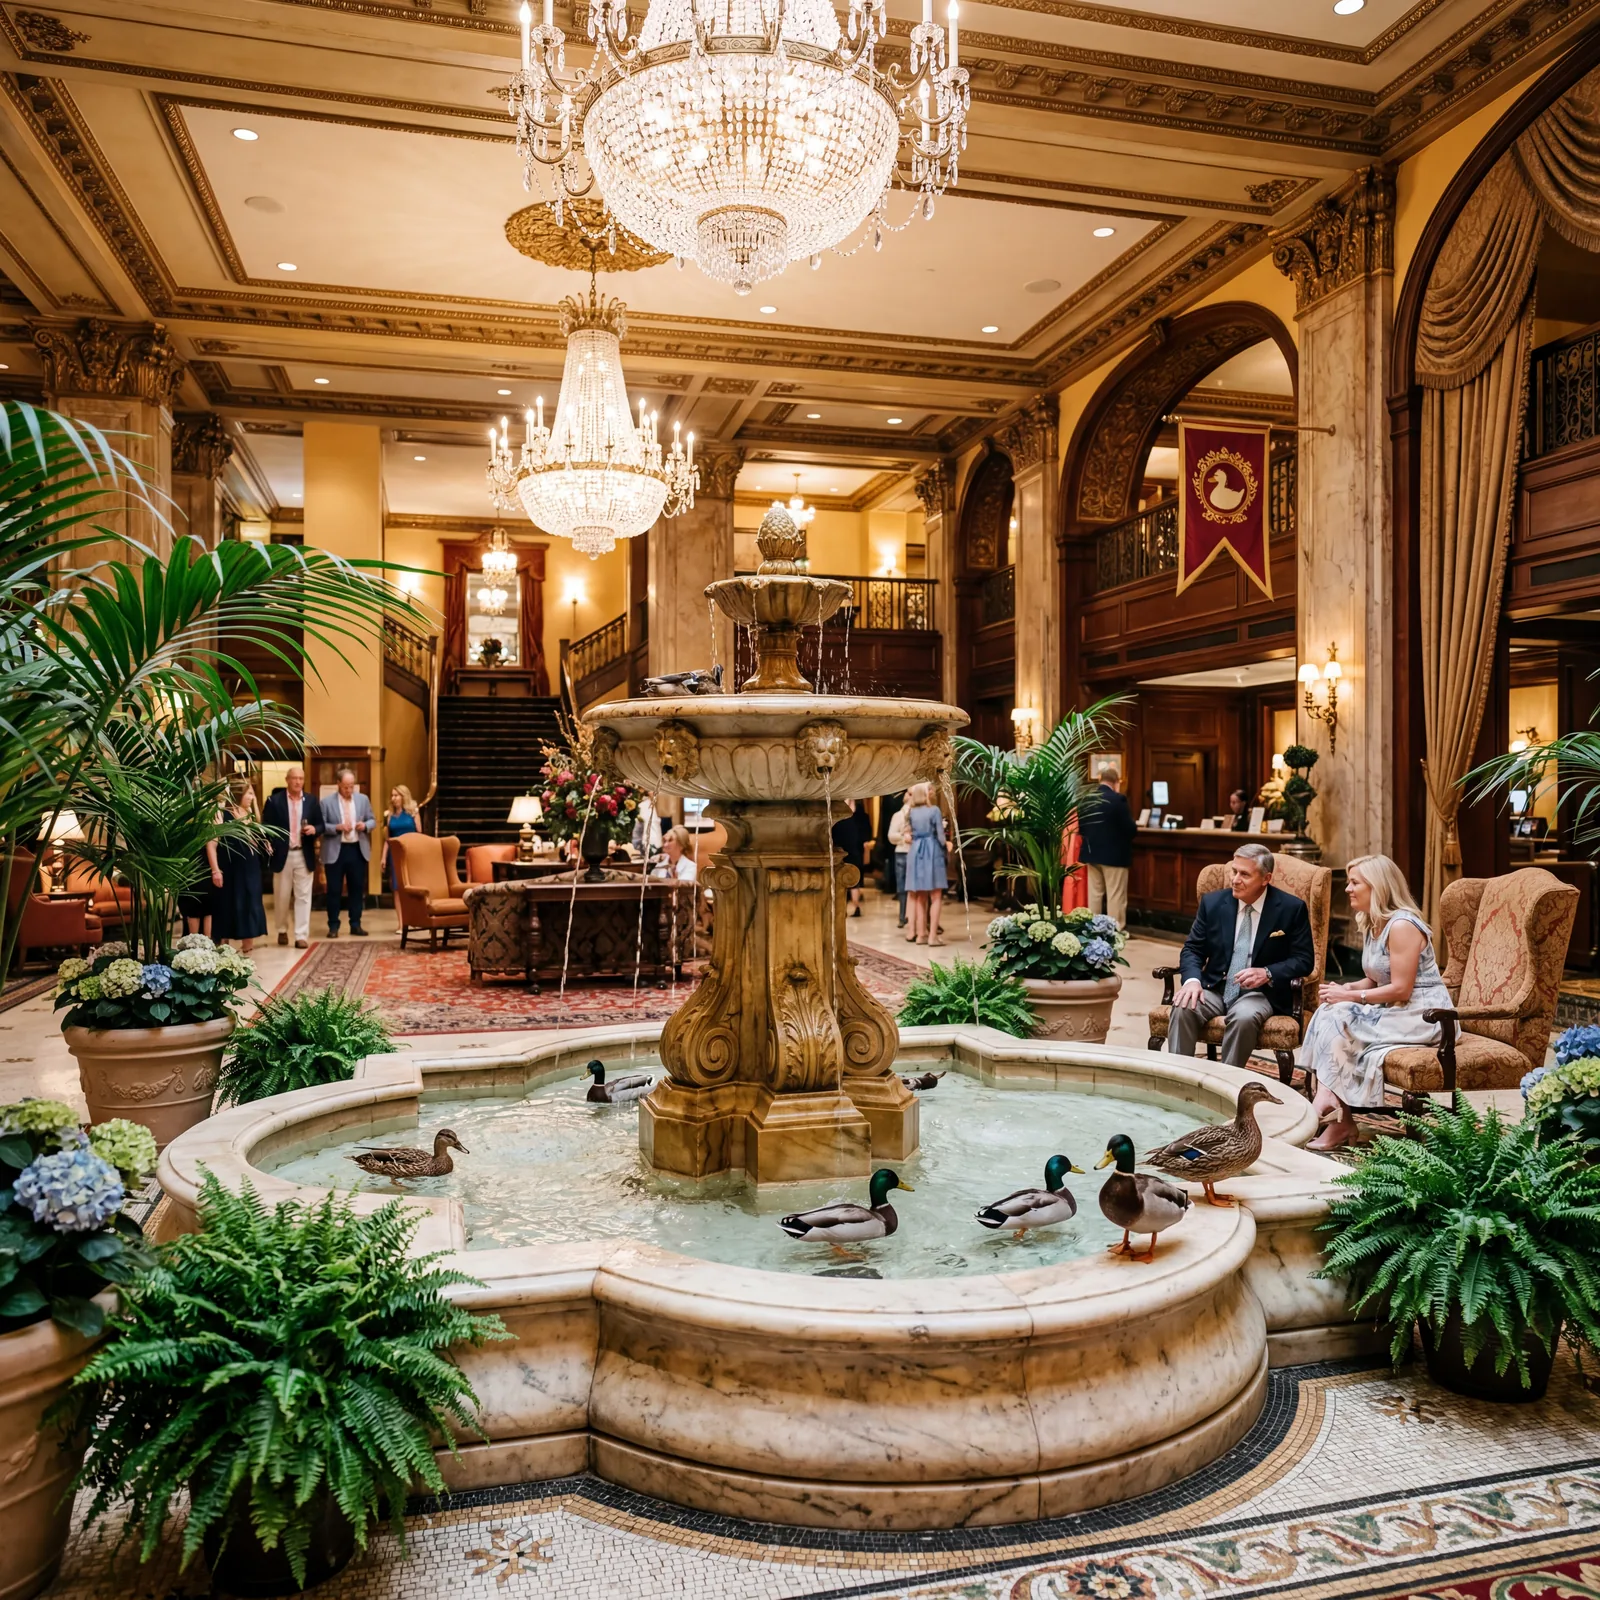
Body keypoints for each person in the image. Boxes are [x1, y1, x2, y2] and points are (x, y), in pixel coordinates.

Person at [1300, 855, 1450, 1152]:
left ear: (1378, 887)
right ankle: (1337, 1112)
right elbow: (1375, 979)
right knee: (1330, 1010)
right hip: (1394, 1009)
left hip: (1424, 1015)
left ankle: (1332, 1109)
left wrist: (1351, 997)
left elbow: (1401, 989)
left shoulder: (1403, 926)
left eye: (1355, 882)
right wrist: (1345, 988)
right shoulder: (1373, 923)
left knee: (1340, 1014)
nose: (1348, 889)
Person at [1167, 843, 1315, 1068]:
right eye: (1234, 871)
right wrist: (1192, 981)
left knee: (1244, 1017)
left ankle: (1228, 1085)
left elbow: (1304, 960)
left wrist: (1266, 972)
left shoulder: (1290, 908)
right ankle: (1178, 1081)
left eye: (1244, 874)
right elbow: (1193, 949)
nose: (1235, 879)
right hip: (1216, 987)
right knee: (1183, 1007)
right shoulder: (1213, 903)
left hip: (1260, 993)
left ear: (1266, 879)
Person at [263, 765, 319, 948]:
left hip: (304, 853)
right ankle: (281, 930)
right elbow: (266, 826)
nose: (298, 782)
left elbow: (321, 824)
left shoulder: (311, 801)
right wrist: (269, 842)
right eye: (294, 778)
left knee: (304, 896)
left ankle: (301, 935)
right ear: (287, 780)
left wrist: (315, 829)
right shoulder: (274, 801)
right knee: (282, 895)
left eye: (301, 779)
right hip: (283, 855)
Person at [212, 777, 267, 954]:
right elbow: (211, 844)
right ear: (238, 794)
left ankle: (247, 945)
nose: (252, 796)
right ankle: (224, 945)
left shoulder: (248, 814)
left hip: (250, 866)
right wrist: (215, 870)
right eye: (249, 793)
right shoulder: (221, 813)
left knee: (251, 902)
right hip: (230, 866)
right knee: (229, 903)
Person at [320, 766, 376, 938]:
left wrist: (365, 826)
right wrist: (336, 827)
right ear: (338, 784)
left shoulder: (363, 800)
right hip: (335, 850)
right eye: (346, 786)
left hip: (357, 849)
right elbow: (321, 826)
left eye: (352, 786)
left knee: (356, 889)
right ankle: (333, 926)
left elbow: (373, 820)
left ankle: (356, 924)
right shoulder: (326, 802)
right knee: (334, 890)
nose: (349, 790)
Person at [1079, 766, 1136, 927]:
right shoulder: (1118, 800)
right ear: (1116, 782)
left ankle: (1092, 929)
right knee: (1115, 895)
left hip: (1091, 854)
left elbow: (1081, 827)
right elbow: (1130, 829)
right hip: (1114, 856)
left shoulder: (1086, 799)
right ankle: (1115, 931)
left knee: (1095, 894)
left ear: (1100, 780)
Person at [904, 781, 947, 947]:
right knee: (936, 895)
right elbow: (941, 836)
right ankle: (933, 936)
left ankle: (921, 934)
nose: (933, 791)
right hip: (931, 849)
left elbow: (907, 832)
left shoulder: (911, 812)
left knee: (920, 894)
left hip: (915, 851)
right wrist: (947, 845)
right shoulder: (934, 810)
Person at [831, 800, 872, 918]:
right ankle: (853, 906)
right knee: (852, 879)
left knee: (843, 879)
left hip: (844, 849)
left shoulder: (838, 815)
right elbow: (866, 833)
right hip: (852, 849)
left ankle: (845, 907)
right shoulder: (861, 815)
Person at [380, 785, 420, 895]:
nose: (393, 798)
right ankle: (400, 913)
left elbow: (419, 834)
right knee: (397, 886)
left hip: (410, 852)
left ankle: (410, 912)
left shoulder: (413, 812)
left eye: (396, 795)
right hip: (395, 853)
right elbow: (388, 839)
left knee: (411, 885)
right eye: (392, 796)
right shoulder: (390, 815)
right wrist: (383, 857)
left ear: (403, 796)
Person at [886, 795, 911, 927]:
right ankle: (902, 916)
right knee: (902, 887)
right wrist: (903, 837)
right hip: (902, 852)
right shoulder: (898, 815)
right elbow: (891, 835)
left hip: (916, 853)